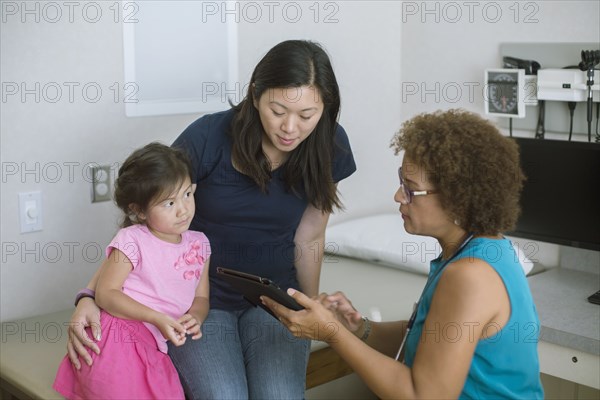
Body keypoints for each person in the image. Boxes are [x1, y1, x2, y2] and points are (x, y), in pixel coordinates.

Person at [65, 40, 356, 399]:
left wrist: (312, 307)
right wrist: (88, 296)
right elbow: (145, 223)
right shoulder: (208, 137)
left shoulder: (331, 146)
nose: (290, 128)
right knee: (223, 395)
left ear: (325, 109)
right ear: (254, 94)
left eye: (307, 115)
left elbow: (310, 233)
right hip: (196, 303)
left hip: (276, 297)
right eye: (278, 110)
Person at [262, 109, 545, 399]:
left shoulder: (469, 275)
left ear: (459, 201)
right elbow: (429, 339)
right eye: (402, 182)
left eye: (411, 189)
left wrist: (333, 333)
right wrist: (358, 328)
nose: (398, 196)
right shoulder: (482, 250)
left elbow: (421, 395)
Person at [53, 143, 211, 399]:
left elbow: (201, 297)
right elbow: (106, 294)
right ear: (139, 211)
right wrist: (155, 317)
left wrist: (196, 316)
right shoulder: (132, 240)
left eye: (187, 194)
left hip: (153, 343)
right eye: (169, 203)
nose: (183, 209)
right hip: (119, 337)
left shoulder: (200, 244)